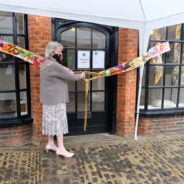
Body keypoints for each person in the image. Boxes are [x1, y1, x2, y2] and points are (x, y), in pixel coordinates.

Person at [40, 41, 85, 158]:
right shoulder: (55, 65)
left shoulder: (45, 63)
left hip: (48, 98)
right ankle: (61, 148)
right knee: (59, 121)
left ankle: (50, 143)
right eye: (59, 51)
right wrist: (81, 76)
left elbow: (63, 72)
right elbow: (71, 76)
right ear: (52, 51)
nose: (61, 54)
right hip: (56, 98)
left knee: (50, 120)